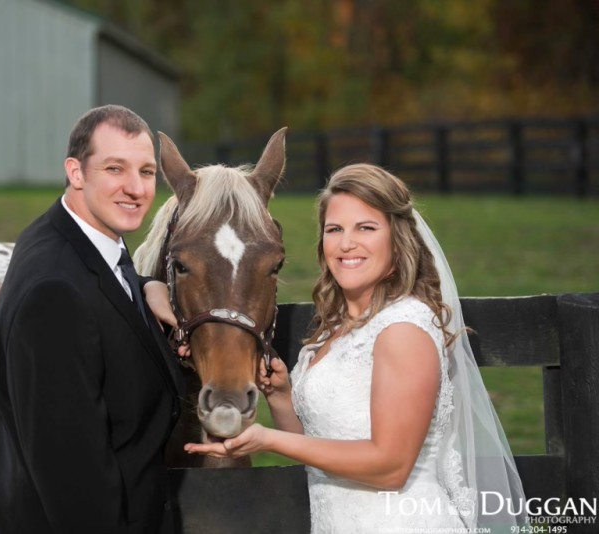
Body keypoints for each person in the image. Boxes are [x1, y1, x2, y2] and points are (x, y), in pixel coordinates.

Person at [184, 163, 527, 532]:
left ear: (397, 238)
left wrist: (268, 440)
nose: (347, 243)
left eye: (366, 228)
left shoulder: (403, 329)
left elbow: (391, 467)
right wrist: (281, 396)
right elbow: (321, 449)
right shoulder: (336, 330)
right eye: (335, 229)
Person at [0, 105, 185, 534]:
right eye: (114, 168)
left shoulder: (69, 234)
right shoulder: (54, 296)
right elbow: (74, 482)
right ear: (76, 172)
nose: (135, 188)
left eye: (146, 172)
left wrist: (145, 286)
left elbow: (97, 284)